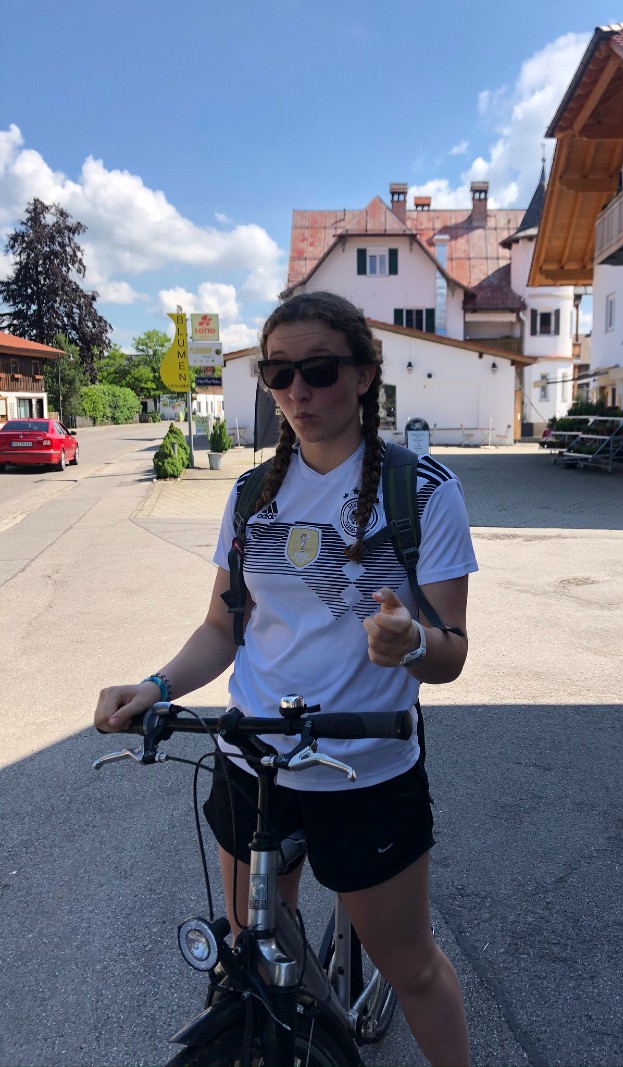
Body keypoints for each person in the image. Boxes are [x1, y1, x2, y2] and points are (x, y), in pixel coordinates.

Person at [95, 290, 477, 1067]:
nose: (297, 392)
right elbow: (222, 627)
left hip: (364, 769)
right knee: (252, 947)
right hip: (252, 760)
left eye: (320, 370)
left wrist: (407, 644)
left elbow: (453, 652)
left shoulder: (424, 490)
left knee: (410, 967)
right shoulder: (250, 494)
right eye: (279, 374)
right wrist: (157, 687)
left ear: (365, 375)